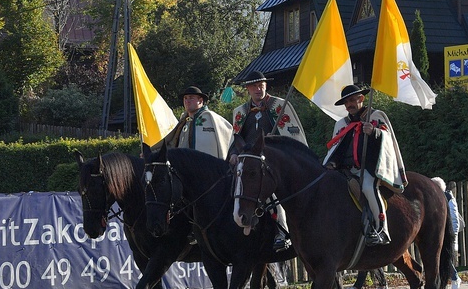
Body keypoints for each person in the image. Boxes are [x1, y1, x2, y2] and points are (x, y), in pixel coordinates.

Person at [228, 70, 308, 251]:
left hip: (275, 163)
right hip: (248, 162)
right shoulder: (240, 112)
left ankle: (283, 233)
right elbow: (236, 138)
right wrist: (233, 153)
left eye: (261, 85)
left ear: (266, 86)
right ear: (248, 89)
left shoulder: (280, 106)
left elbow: (291, 137)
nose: (258, 88)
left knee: (272, 191)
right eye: (254, 86)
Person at [323, 84, 407, 246]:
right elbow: (337, 150)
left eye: (353, 100)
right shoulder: (341, 124)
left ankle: (382, 229)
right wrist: (332, 163)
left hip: (371, 168)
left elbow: (388, 140)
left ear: (361, 99)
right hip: (347, 170)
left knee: (368, 187)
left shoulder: (375, 117)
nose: (350, 105)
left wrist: (374, 132)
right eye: (346, 102)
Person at [161, 86, 233, 159]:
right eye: (185, 98)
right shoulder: (183, 120)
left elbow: (228, 134)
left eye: (191, 98)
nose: (187, 101)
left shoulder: (210, 118)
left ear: (201, 101)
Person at [434, 177, 464, 289]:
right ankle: (442, 283)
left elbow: (454, 219)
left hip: (447, 234)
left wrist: (452, 235)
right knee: (438, 258)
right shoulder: (436, 199)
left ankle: (455, 277)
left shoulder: (448, 198)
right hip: (438, 233)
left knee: (445, 257)